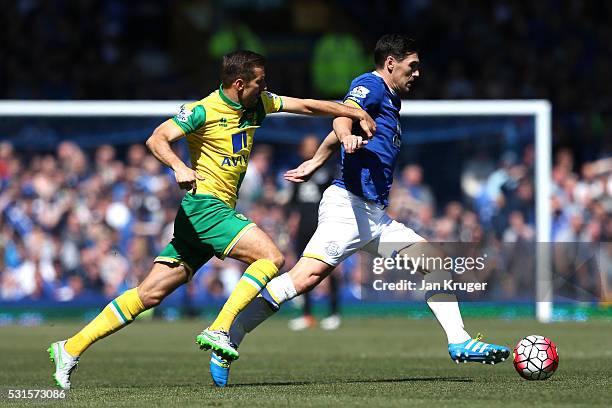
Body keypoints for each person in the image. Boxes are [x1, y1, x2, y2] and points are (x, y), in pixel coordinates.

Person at [47, 50, 376, 390]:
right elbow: (156, 138)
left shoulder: (258, 103)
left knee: (149, 294)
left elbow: (307, 105)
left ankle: (69, 348)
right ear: (239, 84)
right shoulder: (203, 110)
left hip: (204, 217)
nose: (266, 86)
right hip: (205, 207)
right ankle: (221, 327)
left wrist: (353, 110)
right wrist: (178, 166)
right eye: (260, 81)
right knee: (271, 257)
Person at [209, 34, 510, 387]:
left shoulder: (391, 103)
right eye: (412, 67)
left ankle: (459, 340)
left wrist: (316, 160)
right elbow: (343, 116)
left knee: (433, 262)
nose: (417, 73)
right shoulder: (371, 85)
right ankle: (228, 338)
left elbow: (338, 131)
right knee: (302, 279)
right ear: (391, 63)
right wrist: (347, 132)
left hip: (374, 216)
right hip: (348, 208)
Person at [285, 135, 340, 331]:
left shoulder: (328, 169)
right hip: (304, 224)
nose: (308, 149)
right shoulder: (300, 169)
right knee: (303, 266)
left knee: (330, 267)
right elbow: (292, 200)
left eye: (312, 146)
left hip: (323, 222)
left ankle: (334, 313)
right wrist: (291, 218)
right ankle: (307, 314)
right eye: (305, 146)